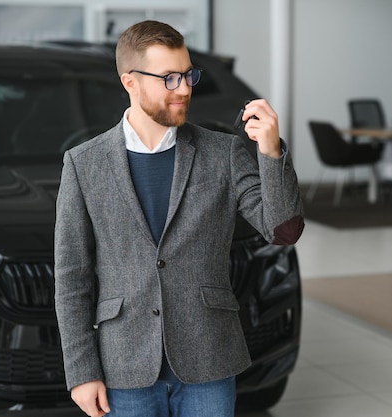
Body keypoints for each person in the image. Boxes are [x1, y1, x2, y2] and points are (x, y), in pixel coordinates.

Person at [54, 20, 304, 417]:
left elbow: (284, 230)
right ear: (130, 81)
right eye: (169, 78)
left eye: (188, 75)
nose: (184, 89)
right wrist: (81, 372)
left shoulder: (223, 153)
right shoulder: (84, 164)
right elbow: (72, 278)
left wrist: (271, 153)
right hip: (125, 364)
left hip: (209, 361)